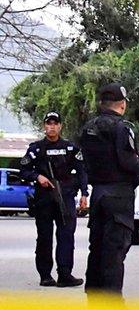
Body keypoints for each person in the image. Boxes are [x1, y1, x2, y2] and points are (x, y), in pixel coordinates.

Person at [78, 83, 139, 296]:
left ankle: (94, 298)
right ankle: (111, 305)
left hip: (98, 194)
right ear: (122, 104)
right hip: (119, 196)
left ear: (102, 103)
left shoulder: (89, 128)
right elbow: (128, 163)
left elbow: (85, 162)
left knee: (96, 249)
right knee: (115, 251)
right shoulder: (122, 128)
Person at [19, 112, 88, 287]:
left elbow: (81, 172)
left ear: (60, 126)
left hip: (65, 196)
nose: (51, 126)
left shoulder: (70, 148)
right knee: (44, 237)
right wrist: (37, 177)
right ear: (44, 127)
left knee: (66, 236)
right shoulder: (36, 149)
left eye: (55, 123)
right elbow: (23, 171)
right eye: (48, 123)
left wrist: (84, 194)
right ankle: (45, 275)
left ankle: (65, 275)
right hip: (44, 198)